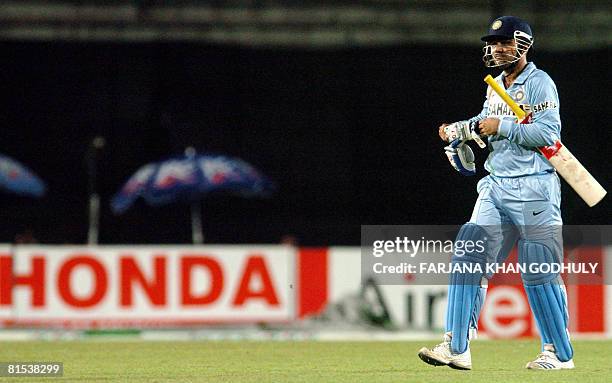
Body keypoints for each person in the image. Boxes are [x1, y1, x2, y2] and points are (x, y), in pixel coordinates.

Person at [417, 16, 574, 370]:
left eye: (504, 42)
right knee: (468, 255)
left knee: (538, 270)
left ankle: (557, 353)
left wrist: (500, 125)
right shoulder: (496, 86)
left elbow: (548, 134)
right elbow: (485, 123)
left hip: (535, 187)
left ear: (523, 45)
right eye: (493, 43)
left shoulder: (540, 84)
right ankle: (457, 347)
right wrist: (460, 130)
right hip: (496, 184)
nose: (497, 49)